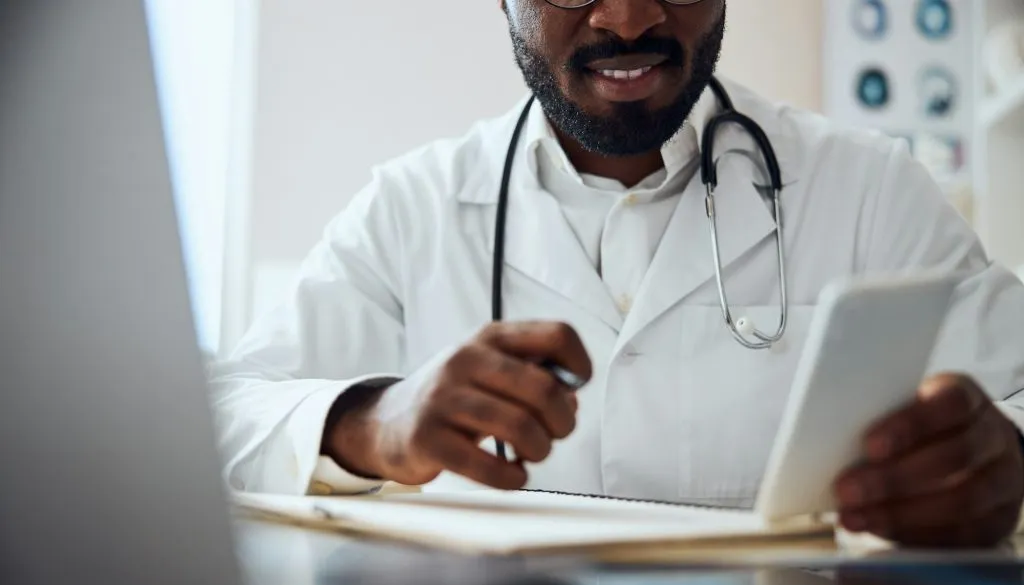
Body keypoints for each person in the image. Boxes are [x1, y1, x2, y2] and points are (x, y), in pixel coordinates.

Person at [209, 0, 1024, 548]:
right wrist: (371, 422)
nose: (630, 16)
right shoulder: (411, 207)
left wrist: (1005, 461)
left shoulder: (872, 188)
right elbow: (216, 412)